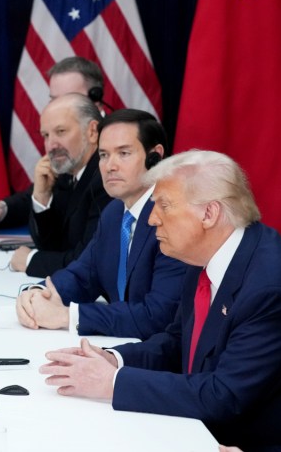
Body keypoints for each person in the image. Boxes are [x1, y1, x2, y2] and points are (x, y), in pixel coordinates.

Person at [39, 150, 281, 452]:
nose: (151, 220)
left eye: (164, 206)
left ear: (209, 213)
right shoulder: (204, 258)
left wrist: (114, 383)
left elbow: (224, 395)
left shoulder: (272, 288)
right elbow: (179, 343)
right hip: (209, 428)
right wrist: (114, 360)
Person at [16, 109, 191, 338]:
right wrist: (39, 294)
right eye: (104, 155)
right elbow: (82, 275)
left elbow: (157, 316)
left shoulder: (174, 217)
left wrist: (68, 316)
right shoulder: (114, 212)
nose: (110, 166)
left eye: (124, 153)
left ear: (155, 157)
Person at [0, 56, 106, 233]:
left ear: (95, 98)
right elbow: (48, 189)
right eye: (53, 99)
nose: (57, 107)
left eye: (67, 98)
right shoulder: (60, 139)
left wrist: (31, 259)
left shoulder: (117, 145)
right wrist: (3, 208)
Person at [0, 94, 110, 277]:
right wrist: (41, 196)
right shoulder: (66, 173)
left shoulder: (106, 178)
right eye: (46, 135)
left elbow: (89, 263)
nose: (51, 145)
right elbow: (54, 246)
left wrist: (31, 260)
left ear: (92, 132)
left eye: (61, 131)